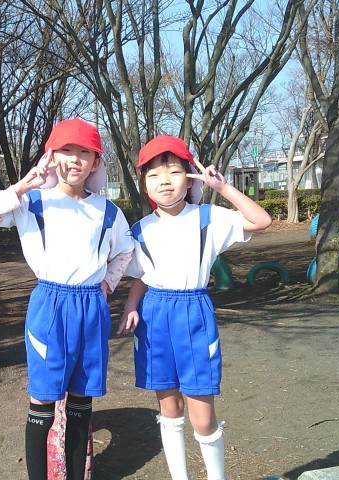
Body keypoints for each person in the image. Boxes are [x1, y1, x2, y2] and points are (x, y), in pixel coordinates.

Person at [0, 118, 134, 480]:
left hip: (91, 307)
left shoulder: (108, 211)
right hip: (50, 305)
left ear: (96, 162)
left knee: (80, 401)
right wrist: (24, 184)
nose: (74, 159)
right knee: (43, 400)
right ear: (51, 155)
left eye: (84, 152)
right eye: (65, 150)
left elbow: (125, 250)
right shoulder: (32, 201)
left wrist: (107, 285)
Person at [117, 135, 272, 480]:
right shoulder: (140, 230)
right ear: (144, 184)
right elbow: (142, 275)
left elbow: (261, 221)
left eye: (174, 172)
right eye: (154, 175)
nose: (165, 181)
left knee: (202, 416)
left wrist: (222, 187)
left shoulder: (207, 218)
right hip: (155, 317)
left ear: (190, 178)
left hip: (194, 314)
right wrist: (131, 306)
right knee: (169, 409)